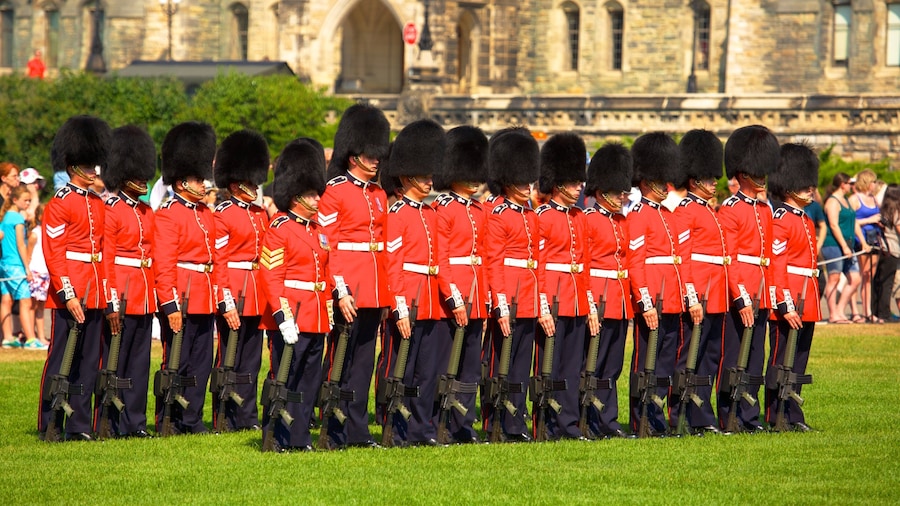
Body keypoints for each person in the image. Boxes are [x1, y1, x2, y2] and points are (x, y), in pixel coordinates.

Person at [38, 115, 118, 442]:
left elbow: (105, 255)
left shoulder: (98, 204)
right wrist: (68, 293)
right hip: (71, 291)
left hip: (95, 290)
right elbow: (54, 253)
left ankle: (80, 423)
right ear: (73, 168)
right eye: (87, 166)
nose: (94, 171)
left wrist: (108, 297)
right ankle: (50, 421)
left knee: (88, 362)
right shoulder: (59, 204)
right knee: (61, 358)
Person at [317, 104, 391, 449]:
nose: (376, 160)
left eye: (377, 153)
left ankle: (357, 429)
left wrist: (386, 293)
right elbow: (328, 246)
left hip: (373, 288)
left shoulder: (378, 194)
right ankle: (333, 426)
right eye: (369, 154)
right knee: (341, 359)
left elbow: (383, 247)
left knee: (363, 362)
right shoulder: (334, 191)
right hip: (348, 287)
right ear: (353, 156)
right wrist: (340, 290)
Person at [625, 132, 702, 436]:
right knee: (646, 362)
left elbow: (682, 263)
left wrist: (690, 298)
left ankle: (660, 419)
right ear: (645, 182)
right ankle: (642, 419)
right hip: (653, 300)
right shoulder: (638, 215)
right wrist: (645, 304)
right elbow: (636, 264)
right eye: (659, 181)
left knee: (667, 364)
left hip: (673, 300)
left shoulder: (669, 217)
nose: (665, 186)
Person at [258, 138, 332, 452]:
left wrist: (331, 307)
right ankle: (275, 434)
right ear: (297, 195)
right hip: (292, 316)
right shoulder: (279, 228)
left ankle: (299, 436)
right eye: (312, 194)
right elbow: (271, 276)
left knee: (309, 380)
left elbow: (324, 274)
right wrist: (282, 317)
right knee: (285, 377)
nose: (318, 198)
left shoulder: (317, 230)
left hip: (316, 315)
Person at [379, 119, 448, 447]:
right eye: (423, 177)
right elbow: (393, 265)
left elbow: (440, 260)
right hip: (409, 298)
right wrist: (400, 307)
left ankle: (422, 428)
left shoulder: (431, 213)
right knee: (401, 368)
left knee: (427, 370)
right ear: (407, 178)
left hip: (431, 300)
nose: (429, 181)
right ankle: (396, 427)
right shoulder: (397, 214)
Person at [484, 127, 555, 442]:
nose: (529, 186)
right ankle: (494, 422)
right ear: (507, 180)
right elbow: (494, 263)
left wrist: (541, 304)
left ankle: (515, 423)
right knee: (500, 363)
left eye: (530, 180)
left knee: (521, 366)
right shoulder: (499, 215)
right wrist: (500, 305)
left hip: (528, 298)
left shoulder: (530, 215)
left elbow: (537, 264)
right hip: (509, 298)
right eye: (523, 181)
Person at [154, 121, 224, 435]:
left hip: (203, 297)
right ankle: (167, 418)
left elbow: (216, 260)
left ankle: (192, 418)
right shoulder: (169, 213)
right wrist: (170, 305)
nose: (203, 183)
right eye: (197, 179)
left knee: (200, 363)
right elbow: (165, 263)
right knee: (176, 361)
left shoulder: (206, 213)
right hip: (181, 296)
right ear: (182, 182)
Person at [534, 132, 599, 440]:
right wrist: (542, 306)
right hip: (554, 298)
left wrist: (589, 305)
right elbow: (539, 266)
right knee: (550, 364)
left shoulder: (579, 217)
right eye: (573, 183)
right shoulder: (543, 217)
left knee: (572, 366)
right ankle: (546, 422)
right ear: (558, 184)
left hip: (575, 299)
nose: (579, 188)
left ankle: (568, 424)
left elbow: (583, 265)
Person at [716, 124, 779, 432]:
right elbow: (730, 259)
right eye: (756, 172)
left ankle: (750, 416)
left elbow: (768, 258)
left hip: (761, 290)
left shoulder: (764, 209)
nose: (762, 177)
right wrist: (741, 298)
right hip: (740, 292)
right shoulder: (730, 209)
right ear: (743, 174)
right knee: (733, 356)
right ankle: (729, 414)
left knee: (756, 355)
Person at [430, 125, 490, 444]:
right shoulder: (444, 208)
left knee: (470, 368)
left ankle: (462, 424)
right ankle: (438, 423)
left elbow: (486, 257)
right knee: (445, 365)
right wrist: (454, 299)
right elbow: (441, 258)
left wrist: (486, 299)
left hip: (476, 296)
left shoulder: (478, 210)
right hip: (454, 297)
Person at [99, 125, 158, 438]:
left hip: (144, 294)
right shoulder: (111, 209)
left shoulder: (146, 211)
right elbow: (107, 259)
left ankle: (134, 422)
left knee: (139, 362)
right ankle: (108, 421)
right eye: (137, 175)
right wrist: (111, 302)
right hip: (121, 293)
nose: (143, 181)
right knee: (115, 360)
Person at [669, 129, 729, 435]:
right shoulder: (686, 211)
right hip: (699, 295)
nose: (714, 182)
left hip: (716, 295)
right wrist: (691, 297)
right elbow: (683, 258)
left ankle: (702, 415)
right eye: (708, 178)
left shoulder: (709, 210)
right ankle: (679, 413)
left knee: (710, 358)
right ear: (694, 181)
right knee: (688, 357)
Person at [211, 130, 270, 432]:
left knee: (252, 360)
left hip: (257, 291)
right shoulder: (223, 214)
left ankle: (247, 416)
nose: (256, 186)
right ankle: (224, 416)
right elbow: (219, 261)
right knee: (228, 356)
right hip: (234, 288)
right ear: (235, 185)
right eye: (250, 181)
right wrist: (226, 301)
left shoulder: (261, 214)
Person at [764, 142, 821, 432]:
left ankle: (793, 414)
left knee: (798, 360)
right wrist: (784, 305)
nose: (811, 189)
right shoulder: (781, 219)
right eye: (804, 184)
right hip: (789, 299)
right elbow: (777, 265)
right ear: (788, 186)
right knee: (780, 360)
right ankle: (775, 414)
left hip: (806, 297)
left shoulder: (805, 220)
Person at [583, 142, 634, 438]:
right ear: (602, 192)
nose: (622, 197)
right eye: (618, 192)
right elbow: (585, 267)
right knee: (594, 362)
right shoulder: (589, 220)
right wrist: (590, 305)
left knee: (613, 366)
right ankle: (589, 418)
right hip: (600, 299)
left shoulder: (621, 221)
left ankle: (608, 420)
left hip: (619, 300)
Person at [822, 172, 866, 324]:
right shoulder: (832, 201)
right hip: (833, 244)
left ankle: (840, 310)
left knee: (855, 278)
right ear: (842, 184)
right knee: (834, 278)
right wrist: (844, 246)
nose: (852, 186)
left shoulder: (846, 200)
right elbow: (833, 225)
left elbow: (854, 223)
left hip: (848, 244)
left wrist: (863, 242)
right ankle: (833, 314)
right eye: (850, 183)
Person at [0, 186, 38, 349]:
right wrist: (27, 268)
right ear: (15, 200)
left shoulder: (5, 217)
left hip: (4, 263)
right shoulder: (17, 218)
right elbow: (21, 245)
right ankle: (30, 339)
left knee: (6, 300)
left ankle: (8, 338)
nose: (28, 203)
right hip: (16, 264)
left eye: (29, 200)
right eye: (25, 200)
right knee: (25, 301)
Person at [849, 169, 883, 323]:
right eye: (873, 181)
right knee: (859, 276)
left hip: (874, 240)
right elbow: (852, 222)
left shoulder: (874, 199)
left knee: (869, 277)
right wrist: (870, 220)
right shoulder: (854, 199)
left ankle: (868, 311)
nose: (875, 184)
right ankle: (855, 311)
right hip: (860, 241)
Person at [872, 186, 900, 321]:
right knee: (887, 283)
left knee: (881, 281)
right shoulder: (896, 210)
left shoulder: (884, 209)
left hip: (884, 248)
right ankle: (885, 313)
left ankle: (878, 311)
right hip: (893, 249)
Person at [27, 203, 50, 348]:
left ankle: (41, 337)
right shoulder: (35, 234)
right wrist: (28, 271)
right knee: (32, 306)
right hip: (35, 273)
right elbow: (28, 255)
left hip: (46, 274)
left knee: (41, 307)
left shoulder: (49, 232)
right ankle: (32, 337)